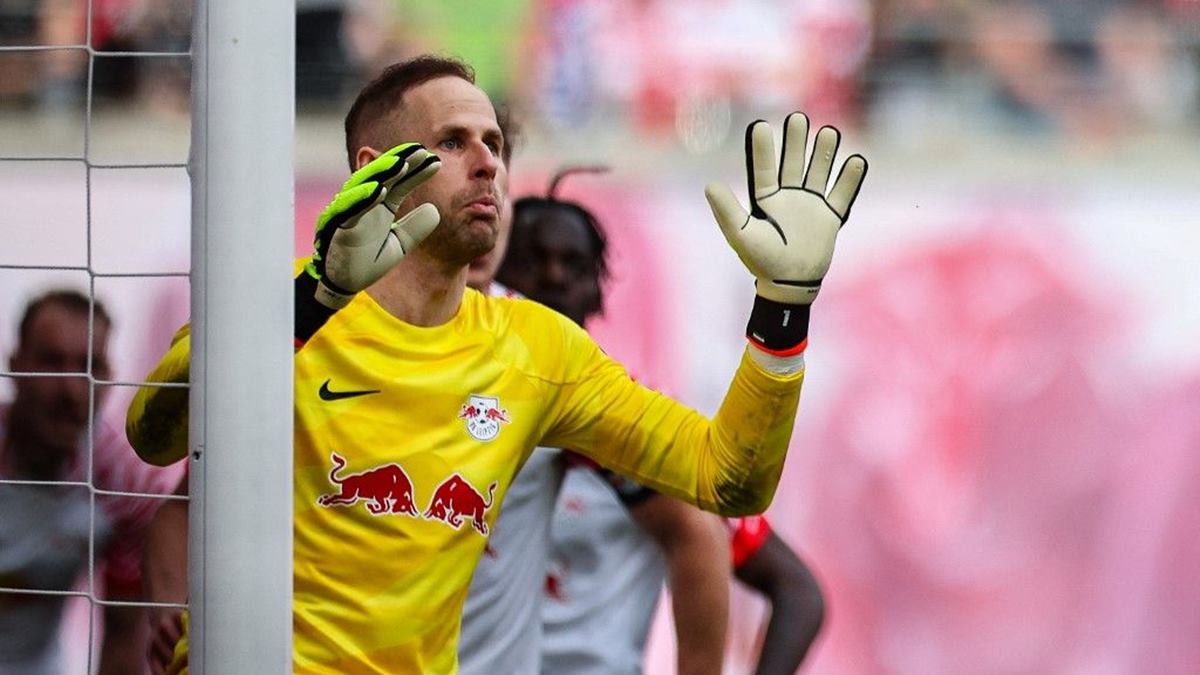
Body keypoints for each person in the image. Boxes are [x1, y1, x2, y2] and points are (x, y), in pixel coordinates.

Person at [126, 54, 868, 673]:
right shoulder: (284, 300)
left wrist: (783, 305)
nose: (488, 163)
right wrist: (314, 300)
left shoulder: (537, 349)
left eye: (494, 144)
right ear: (375, 169)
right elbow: (153, 436)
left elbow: (727, 478)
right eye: (453, 142)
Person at [494, 181, 825, 675]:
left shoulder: (618, 420)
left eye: (574, 265)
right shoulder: (462, 403)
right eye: (529, 259)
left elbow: (794, 588)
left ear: (599, 292)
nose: (552, 276)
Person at [0, 289, 177, 675]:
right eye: (52, 362)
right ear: (15, 366)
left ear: (110, 377)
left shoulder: (126, 486)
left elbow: (123, 639)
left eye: (89, 366)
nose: (71, 389)